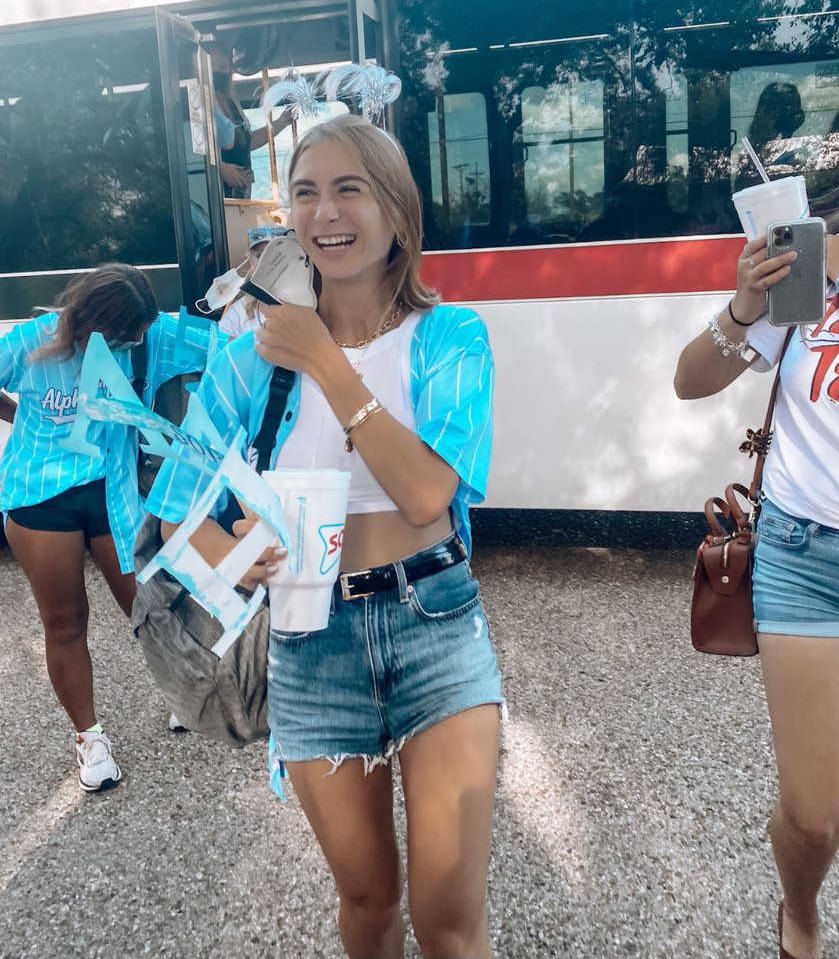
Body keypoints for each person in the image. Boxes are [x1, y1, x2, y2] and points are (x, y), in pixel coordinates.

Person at [147, 116, 504, 959]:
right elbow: (176, 517)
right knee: (368, 899)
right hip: (309, 642)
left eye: (351, 187)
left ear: (397, 212)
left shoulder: (452, 338)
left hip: (436, 623)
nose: (326, 211)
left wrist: (327, 362)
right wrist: (237, 556)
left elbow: (425, 494)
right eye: (306, 192)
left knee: (449, 917)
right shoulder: (246, 357)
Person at [674, 130, 839, 959]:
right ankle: (800, 907)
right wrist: (745, 305)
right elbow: (691, 376)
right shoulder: (807, 270)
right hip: (809, 556)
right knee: (817, 813)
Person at [0, 265, 222, 792]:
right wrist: (17, 415)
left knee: (149, 606)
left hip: (113, 491)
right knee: (65, 620)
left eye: (140, 331)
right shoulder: (33, 339)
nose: (137, 341)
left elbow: (232, 347)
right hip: (39, 496)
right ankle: (90, 739)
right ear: (86, 323)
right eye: (124, 335)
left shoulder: (154, 333)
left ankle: (180, 695)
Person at [210, 45, 294, 198]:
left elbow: (245, 143)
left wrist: (281, 122)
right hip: (218, 198)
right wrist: (218, 168)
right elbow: (193, 152)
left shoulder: (232, 103)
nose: (217, 71)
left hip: (242, 194)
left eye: (222, 66)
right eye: (211, 66)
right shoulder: (198, 106)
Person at [219, 224, 292, 338]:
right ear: (251, 263)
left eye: (277, 254)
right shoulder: (236, 315)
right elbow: (222, 353)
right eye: (259, 255)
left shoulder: (311, 307)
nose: (267, 261)